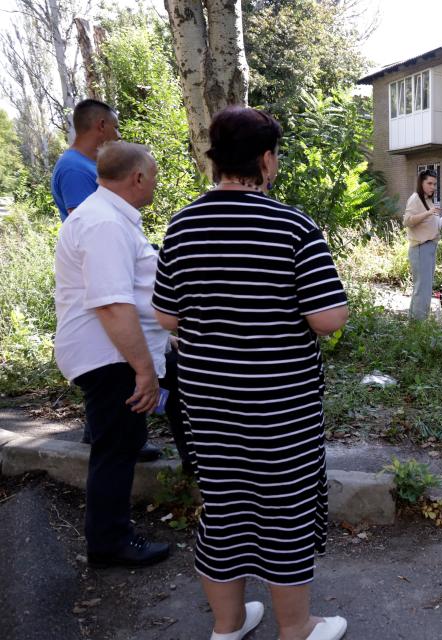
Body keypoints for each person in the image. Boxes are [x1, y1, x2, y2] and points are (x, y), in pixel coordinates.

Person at [152, 106, 350, 640]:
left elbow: (166, 314)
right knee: (283, 509)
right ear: (265, 159)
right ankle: (297, 628)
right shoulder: (292, 226)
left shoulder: (182, 224)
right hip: (280, 404)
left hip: (209, 402)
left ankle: (229, 625)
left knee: (224, 507)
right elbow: (328, 319)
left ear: (215, 160)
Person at [53, 141, 171, 568]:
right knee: (114, 451)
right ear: (138, 178)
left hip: (113, 353)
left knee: (121, 440)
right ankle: (109, 542)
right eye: (154, 175)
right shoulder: (104, 224)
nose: (155, 183)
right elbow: (111, 304)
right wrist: (143, 370)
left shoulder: (106, 216)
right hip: (109, 356)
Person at [51, 99, 120, 222]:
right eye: (115, 128)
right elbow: (87, 229)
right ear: (102, 125)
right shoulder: (74, 169)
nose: (119, 135)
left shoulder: (88, 164)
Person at [403, 169, 442, 320]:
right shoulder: (415, 198)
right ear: (421, 183)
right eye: (429, 183)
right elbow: (407, 221)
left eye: (435, 184)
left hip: (429, 247)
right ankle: (418, 327)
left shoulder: (427, 199)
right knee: (422, 290)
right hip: (421, 248)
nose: (433, 187)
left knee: (424, 289)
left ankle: (416, 325)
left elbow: (428, 224)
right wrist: (428, 213)